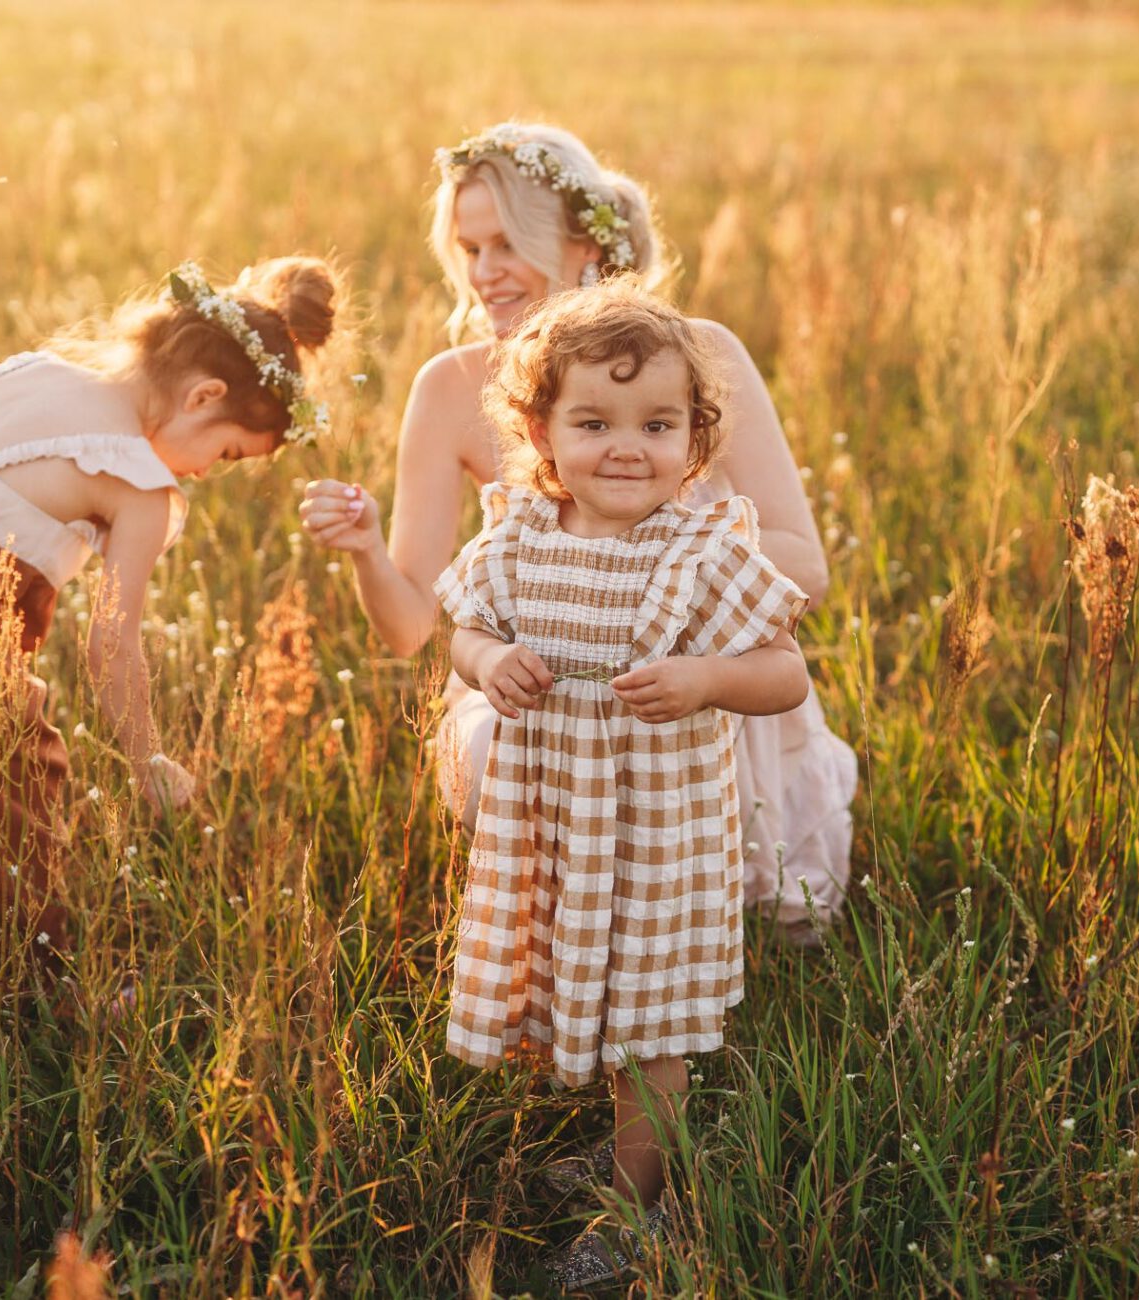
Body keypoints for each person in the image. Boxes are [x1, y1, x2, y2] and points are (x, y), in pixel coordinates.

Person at [299, 122, 855, 941]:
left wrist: (657, 575)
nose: (484, 272)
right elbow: (415, 624)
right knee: (516, 775)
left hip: (693, 679)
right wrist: (367, 552)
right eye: (470, 249)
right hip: (546, 695)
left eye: (505, 244)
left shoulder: (702, 355)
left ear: (583, 243)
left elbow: (807, 563)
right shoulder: (450, 388)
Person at [435, 279, 808, 1286]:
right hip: (555, 826)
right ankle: (624, 1149)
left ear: (695, 438)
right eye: (593, 421)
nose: (626, 446)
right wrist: (484, 663)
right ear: (543, 434)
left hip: (657, 839)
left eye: (658, 423)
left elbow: (786, 673)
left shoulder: (701, 551)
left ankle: (640, 1205)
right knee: (581, 992)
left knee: (648, 1020)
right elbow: (464, 625)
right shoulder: (517, 537)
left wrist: (706, 679)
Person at [0, 257, 340, 950]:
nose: (204, 473)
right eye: (225, 455)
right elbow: (111, 643)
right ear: (203, 396)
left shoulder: (31, 371)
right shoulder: (138, 484)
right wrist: (147, 759)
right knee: (13, 775)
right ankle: (24, 981)